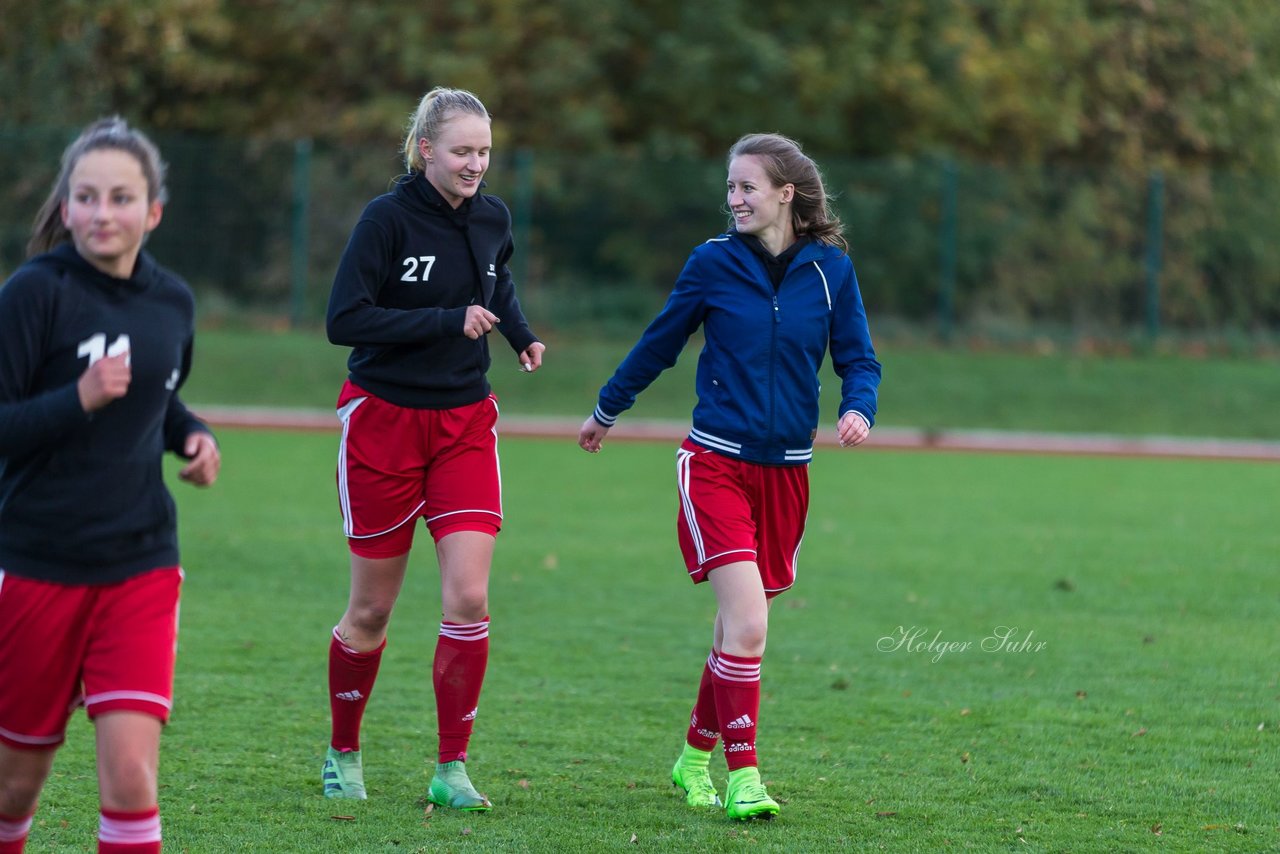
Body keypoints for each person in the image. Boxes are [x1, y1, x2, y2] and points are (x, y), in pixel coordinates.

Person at [578, 133, 881, 821]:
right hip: (714, 463)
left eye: (746, 186)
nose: (734, 198)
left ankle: (692, 759)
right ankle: (744, 778)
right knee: (748, 624)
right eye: (729, 186)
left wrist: (858, 408)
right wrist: (608, 407)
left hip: (788, 476)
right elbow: (660, 341)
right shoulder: (711, 264)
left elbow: (859, 360)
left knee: (735, 633)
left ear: (786, 193)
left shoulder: (832, 271)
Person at [0, 117, 221, 854]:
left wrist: (191, 434)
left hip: (140, 564)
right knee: (13, 786)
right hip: (37, 565)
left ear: (152, 211)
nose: (103, 213)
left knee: (131, 778)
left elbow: (159, 397)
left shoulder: (173, 304)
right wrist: (78, 398)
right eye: (87, 197)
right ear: (65, 208)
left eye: (121, 198)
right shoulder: (34, 295)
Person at [322, 86, 544, 811]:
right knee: (371, 615)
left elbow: (497, 282)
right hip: (384, 422)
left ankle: (452, 769)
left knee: (470, 596)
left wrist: (520, 334)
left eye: (484, 151)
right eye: (462, 151)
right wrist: (447, 321)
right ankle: (344, 751)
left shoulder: (493, 217)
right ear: (426, 151)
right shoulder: (386, 220)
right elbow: (344, 319)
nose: (476, 163)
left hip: (464, 425)